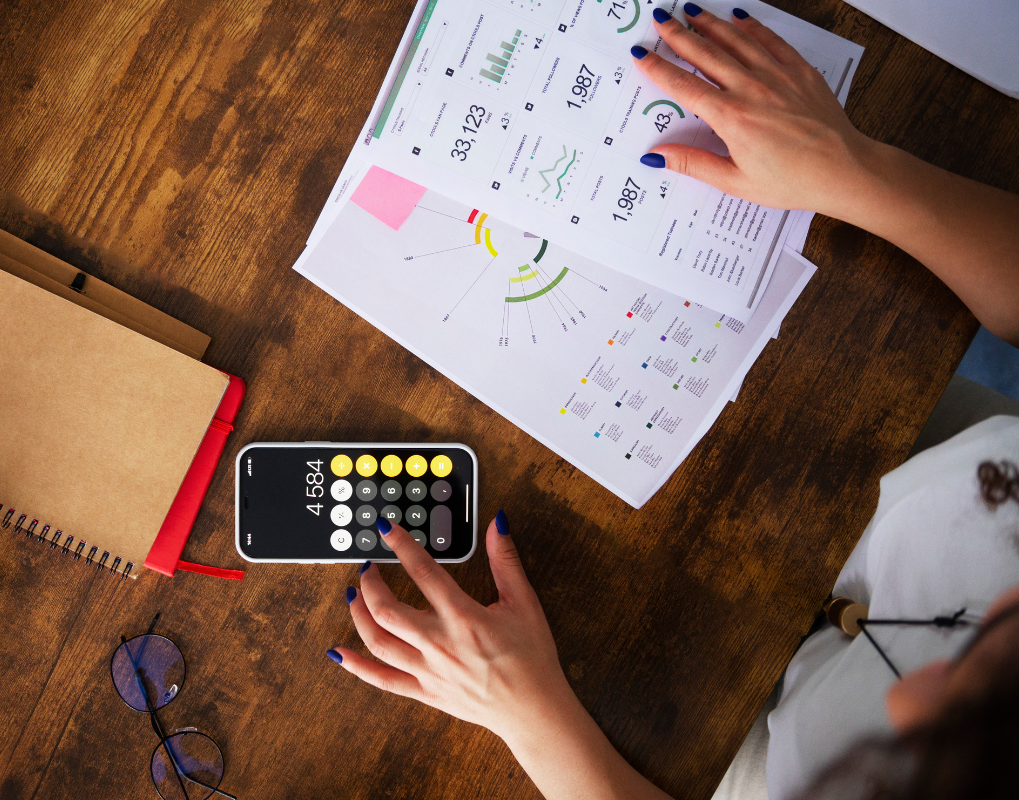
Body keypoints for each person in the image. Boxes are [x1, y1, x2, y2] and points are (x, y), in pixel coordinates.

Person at [325, 5, 1019, 800]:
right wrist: (852, 166)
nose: (907, 699)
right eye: (1000, 653)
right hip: (915, 445)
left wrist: (530, 715)